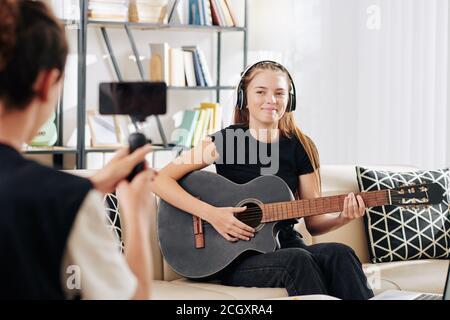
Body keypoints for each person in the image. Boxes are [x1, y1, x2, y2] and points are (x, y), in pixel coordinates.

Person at [151, 60, 375, 299]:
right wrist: (212, 215)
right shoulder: (226, 142)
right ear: (243, 98)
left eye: (280, 93)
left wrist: (343, 216)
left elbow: (314, 223)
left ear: (290, 99)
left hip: (287, 245)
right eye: (260, 92)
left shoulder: (301, 147)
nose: (271, 100)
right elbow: (158, 180)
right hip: (232, 255)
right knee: (297, 260)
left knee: (341, 253)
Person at [0, 0, 156, 299]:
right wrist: (135, 215)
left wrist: (88, 186)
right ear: (47, 82)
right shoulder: (66, 200)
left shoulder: (65, 196)